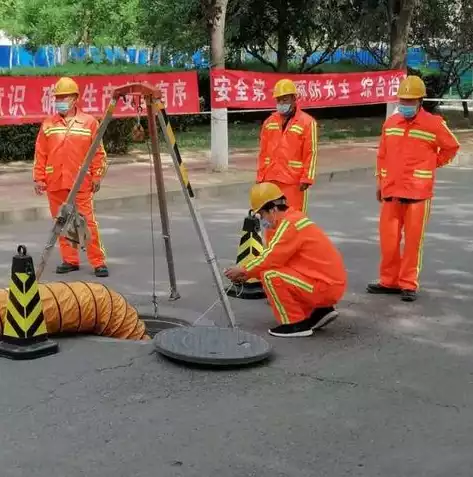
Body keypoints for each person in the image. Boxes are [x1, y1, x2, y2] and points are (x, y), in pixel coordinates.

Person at [367, 75, 460, 302]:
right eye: (403, 100)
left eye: (410, 101)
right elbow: (382, 154)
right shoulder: (390, 124)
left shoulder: (434, 124)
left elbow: (451, 147)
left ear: (420, 101)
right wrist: (380, 180)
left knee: (412, 241)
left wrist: (432, 163)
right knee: (388, 240)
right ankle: (388, 280)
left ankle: (408, 283)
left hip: (418, 193)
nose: (405, 104)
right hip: (391, 190)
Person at [225, 182, 347, 338]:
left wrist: (243, 269)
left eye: (262, 215)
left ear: (273, 209)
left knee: (270, 276)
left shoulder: (289, 225)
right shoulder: (294, 218)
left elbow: (271, 257)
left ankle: (295, 323)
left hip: (324, 286)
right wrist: (248, 274)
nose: (262, 220)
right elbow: (281, 259)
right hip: (326, 283)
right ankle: (320, 311)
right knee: (276, 272)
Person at [33, 76, 109, 278]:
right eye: (58, 97)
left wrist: (97, 176)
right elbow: (40, 152)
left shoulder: (89, 123)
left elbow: (98, 153)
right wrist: (39, 178)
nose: (60, 100)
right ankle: (70, 260)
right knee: (62, 222)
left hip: (80, 182)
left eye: (64, 97)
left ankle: (98, 262)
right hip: (55, 181)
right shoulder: (49, 124)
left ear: (76, 98)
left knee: (87, 222)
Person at [256, 78, 318, 243]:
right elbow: (262, 153)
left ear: (293, 98)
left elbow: (311, 152)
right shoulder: (269, 122)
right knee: (271, 220)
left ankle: (295, 257)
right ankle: (271, 254)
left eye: (285, 99)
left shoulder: (307, 122)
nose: (281, 103)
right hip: (271, 180)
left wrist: (307, 177)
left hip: (294, 182)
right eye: (278, 100)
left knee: (294, 220)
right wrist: (260, 177)